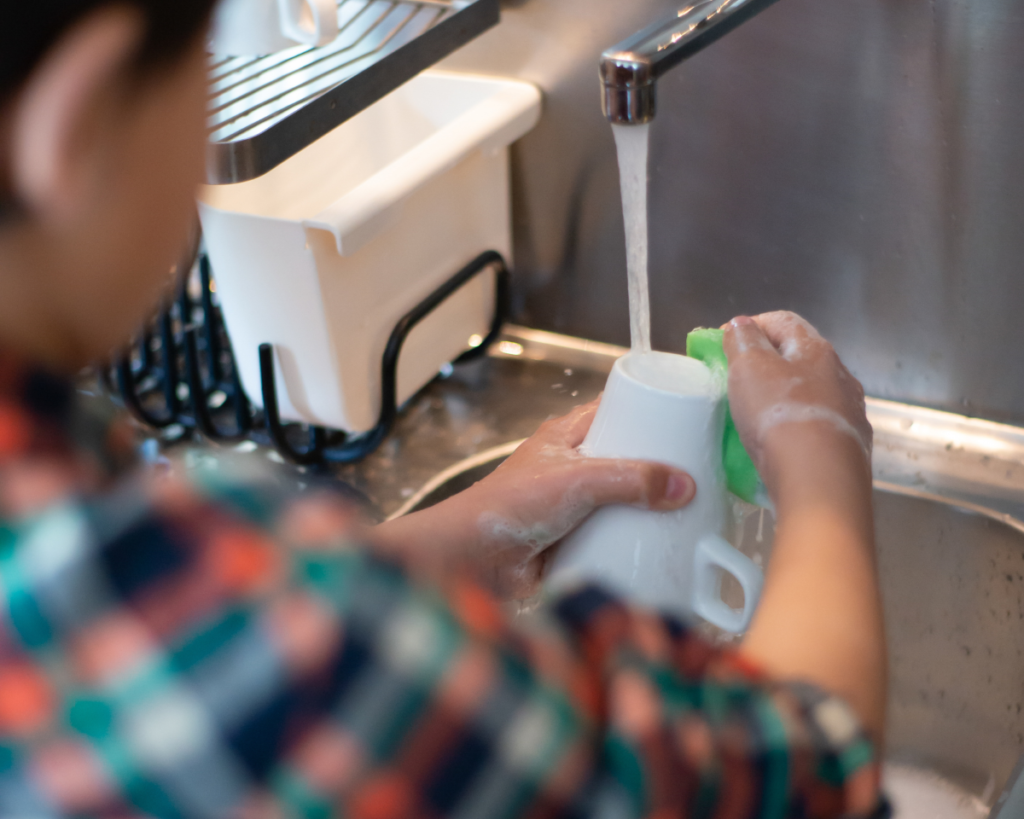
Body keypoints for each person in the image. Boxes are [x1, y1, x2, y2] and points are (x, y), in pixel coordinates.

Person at [0, 1, 887, 817]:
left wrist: (460, 535)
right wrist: (824, 472)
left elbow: (202, 633)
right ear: (73, 127)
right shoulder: (258, 632)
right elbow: (805, 774)